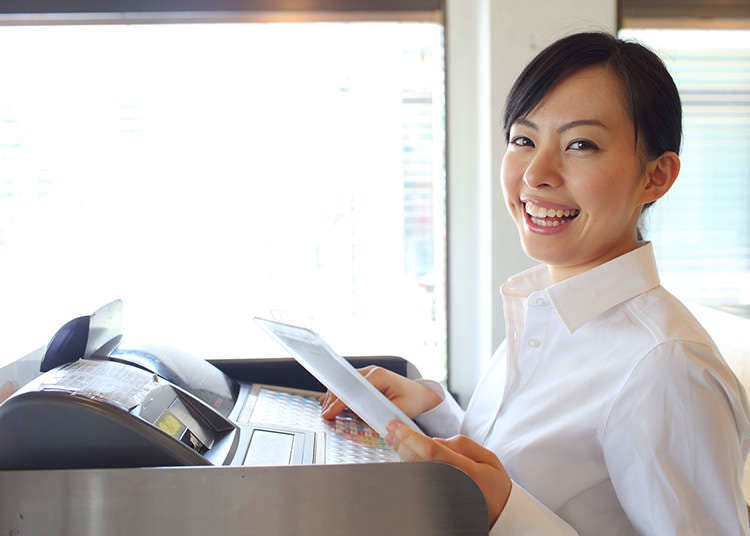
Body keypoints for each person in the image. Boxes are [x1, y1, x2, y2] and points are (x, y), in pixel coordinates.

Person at [320, 32, 750, 535]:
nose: (537, 174)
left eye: (580, 144)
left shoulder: (665, 368)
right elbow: (542, 475)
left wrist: (504, 510)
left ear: (656, 177)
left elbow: (515, 498)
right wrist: (430, 414)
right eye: (524, 140)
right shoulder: (544, 309)